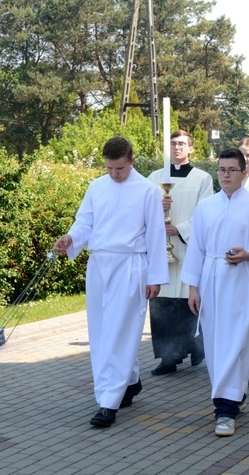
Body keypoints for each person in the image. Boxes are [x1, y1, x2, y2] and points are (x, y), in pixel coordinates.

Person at [54, 136, 168, 428]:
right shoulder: (97, 186)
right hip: (99, 264)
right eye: (109, 169)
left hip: (131, 264)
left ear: (131, 161)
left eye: (119, 168)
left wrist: (155, 276)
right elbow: (85, 223)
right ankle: (130, 380)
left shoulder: (146, 190)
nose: (114, 174)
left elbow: (156, 234)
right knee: (102, 330)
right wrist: (71, 238)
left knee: (119, 332)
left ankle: (108, 402)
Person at [182, 148, 249, 437]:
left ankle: (225, 410)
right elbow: (197, 250)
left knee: (237, 342)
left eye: (231, 170)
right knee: (216, 345)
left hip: (241, 284)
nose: (225, 175)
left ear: (244, 172)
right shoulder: (206, 207)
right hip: (211, 281)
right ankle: (233, 396)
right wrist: (192, 288)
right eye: (221, 170)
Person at [146, 130, 213, 376]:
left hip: (187, 247)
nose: (177, 148)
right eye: (173, 144)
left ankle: (195, 348)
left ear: (191, 148)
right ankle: (168, 357)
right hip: (160, 248)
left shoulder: (202, 178)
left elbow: (205, 212)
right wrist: (157, 206)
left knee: (188, 300)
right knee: (162, 303)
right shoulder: (155, 177)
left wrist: (181, 229)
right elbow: (140, 208)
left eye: (182, 144)